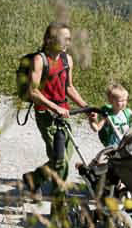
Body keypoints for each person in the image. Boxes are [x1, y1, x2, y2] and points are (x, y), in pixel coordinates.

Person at [22, 21, 90, 196]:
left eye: (69, 39)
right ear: (50, 39)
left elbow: (69, 87)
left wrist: (86, 107)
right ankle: (58, 197)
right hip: (46, 115)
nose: (68, 42)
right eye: (64, 39)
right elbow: (33, 91)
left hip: (64, 112)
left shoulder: (67, 60)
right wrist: (54, 108)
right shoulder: (39, 60)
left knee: (65, 155)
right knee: (61, 161)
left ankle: (34, 179)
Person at [88, 83, 132, 149]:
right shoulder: (108, 116)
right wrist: (92, 120)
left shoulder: (127, 112)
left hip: (126, 144)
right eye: (121, 100)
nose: (124, 103)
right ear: (111, 101)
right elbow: (96, 128)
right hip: (113, 147)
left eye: (125, 100)